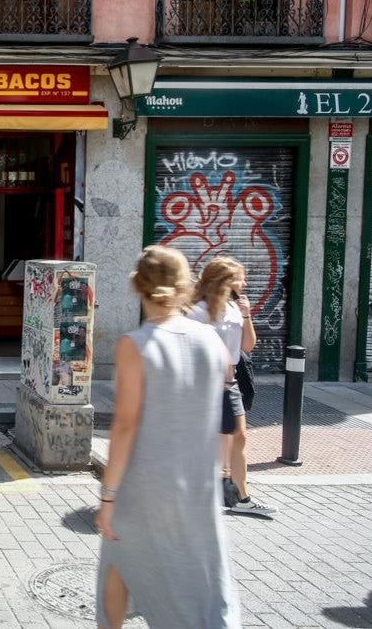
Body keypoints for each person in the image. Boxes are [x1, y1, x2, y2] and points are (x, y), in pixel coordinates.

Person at [95, 245, 241, 628]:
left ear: (137, 287)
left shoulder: (135, 345)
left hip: (145, 487)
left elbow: (126, 425)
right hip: (195, 484)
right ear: (184, 286)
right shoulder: (211, 340)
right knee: (193, 579)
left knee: (120, 556)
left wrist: (108, 496)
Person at [188, 257, 276, 517]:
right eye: (240, 277)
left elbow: (248, 346)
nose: (245, 282)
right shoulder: (198, 311)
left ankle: (241, 495)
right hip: (205, 381)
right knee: (209, 439)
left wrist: (246, 314)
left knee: (239, 437)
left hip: (232, 380)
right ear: (224, 281)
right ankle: (209, 493)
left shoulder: (234, 307)